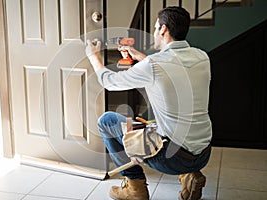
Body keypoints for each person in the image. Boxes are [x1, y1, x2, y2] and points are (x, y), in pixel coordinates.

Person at [86, 6, 212, 200]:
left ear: (163, 29)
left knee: (107, 120)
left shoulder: (154, 65)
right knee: (154, 124)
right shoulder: (202, 57)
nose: (154, 32)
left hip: (171, 158)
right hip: (203, 153)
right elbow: (170, 71)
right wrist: (139, 57)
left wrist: (94, 57)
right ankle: (190, 174)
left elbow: (109, 82)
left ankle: (135, 187)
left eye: (155, 28)